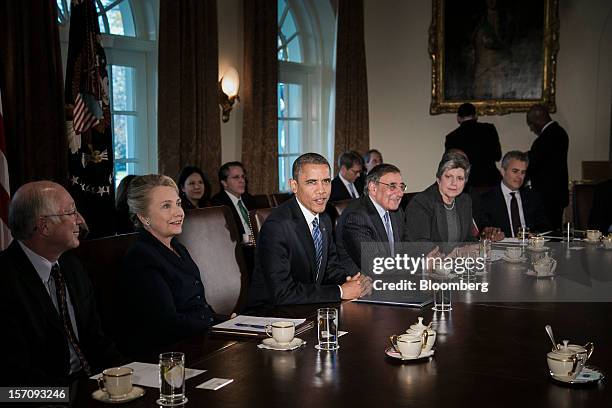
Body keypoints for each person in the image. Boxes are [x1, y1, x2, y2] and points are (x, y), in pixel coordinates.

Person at [0, 181, 122, 385]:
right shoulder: (5, 279)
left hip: (89, 384)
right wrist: (71, 397)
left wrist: (126, 375)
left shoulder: (73, 267)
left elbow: (97, 339)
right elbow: (13, 379)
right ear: (44, 226)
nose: (80, 220)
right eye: (71, 212)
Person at [246, 153, 371, 309]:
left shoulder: (324, 218)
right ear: (294, 186)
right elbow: (282, 292)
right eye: (312, 182)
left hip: (310, 307)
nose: (322, 190)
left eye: (326, 181)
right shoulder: (276, 226)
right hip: (272, 316)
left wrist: (350, 281)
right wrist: (340, 291)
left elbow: (329, 269)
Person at [120, 175, 215, 353]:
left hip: (196, 339)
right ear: (144, 217)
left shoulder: (178, 247)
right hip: (168, 354)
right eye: (166, 206)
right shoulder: (140, 257)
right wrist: (211, 322)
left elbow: (197, 304)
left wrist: (223, 321)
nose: (178, 212)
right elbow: (167, 324)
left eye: (178, 203)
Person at [336, 164, 405, 274]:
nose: (400, 193)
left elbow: (404, 248)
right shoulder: (356, 217)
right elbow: (375, 265)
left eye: (401, 187)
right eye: (392, 186)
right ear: (373, 188)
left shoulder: (396, 212)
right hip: (364, 284)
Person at [403, 151, 478, 243]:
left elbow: (469, 238)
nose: (454, 183)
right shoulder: (421, 203)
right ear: (438, 179)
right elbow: (421, 245)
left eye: (460, 178)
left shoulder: (465, 201)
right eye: (448, 176)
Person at [477, 151, 550, 237]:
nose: (519, 177)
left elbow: (544, 227)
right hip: (501, 248)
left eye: (523, 172)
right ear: (503, 171)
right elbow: (483, 230)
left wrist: (535, 234)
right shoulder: (486, 199)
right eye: (515, 171)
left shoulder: (532, 197)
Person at [526, 104, 569, 230]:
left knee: (548, 234)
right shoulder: (559, 133)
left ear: (539, 119)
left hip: (547, 197)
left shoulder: (546, 138)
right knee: (553, 230)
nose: (531, 129)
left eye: (531, 124)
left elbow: (535, 163)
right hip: (556, 194)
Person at [445, 102, 502, 189]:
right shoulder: (489, 129)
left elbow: (451, 164)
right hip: (491, 180)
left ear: (458, 118)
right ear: (475, 115)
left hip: (468, 184)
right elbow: (498, 155)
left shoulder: (452, 137)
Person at [211, 161, 255, 244]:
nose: (242, 180)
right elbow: (228, 236)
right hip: (239, 250)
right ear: (224, 183)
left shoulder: (249, 199)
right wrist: (253, 239)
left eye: (243, 177)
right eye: (236, 177)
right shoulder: (218, 204)